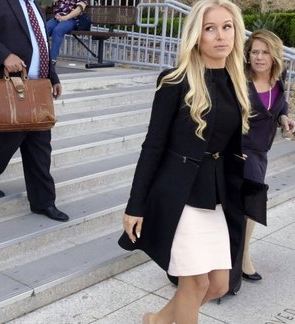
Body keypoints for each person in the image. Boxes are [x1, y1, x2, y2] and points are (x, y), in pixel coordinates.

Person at [117, 0, 251, 322]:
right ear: (197, 36)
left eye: (227, 26)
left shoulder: (235, 81)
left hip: (215, 194)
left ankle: (158, 320)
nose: (221, 36)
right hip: (180, 192)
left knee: (219, 285)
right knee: (195, 283)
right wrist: (135, 205)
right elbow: (152, 146)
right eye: (210, 28)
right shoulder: (175, 81)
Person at [0, 0, 69, 222]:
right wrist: (4, 56)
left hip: (37, 88)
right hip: (5, 88)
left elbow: (40, 45)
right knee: (3, 143)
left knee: (41, 147)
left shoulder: (35, 6)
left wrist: (53, 76)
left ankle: (44, 202)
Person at [241, 29, 295, 281]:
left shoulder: (279, 79)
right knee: (252, 203)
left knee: (249, 205)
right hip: (240, 151)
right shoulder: (240, 81)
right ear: (248, 54)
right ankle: (242, 259)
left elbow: (279, 104)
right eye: (255, 52)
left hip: (261, 151)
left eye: (265, 52)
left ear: (274, 56)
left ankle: (237, 256)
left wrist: (284, 118)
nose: (259, 57)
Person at [46, 0, 88, 65]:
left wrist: (65, 17)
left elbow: (79, 10)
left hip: (71, 19)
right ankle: (38, 55)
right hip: (57, 18)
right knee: (43, 29)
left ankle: (52, 59)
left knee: (58, 30)